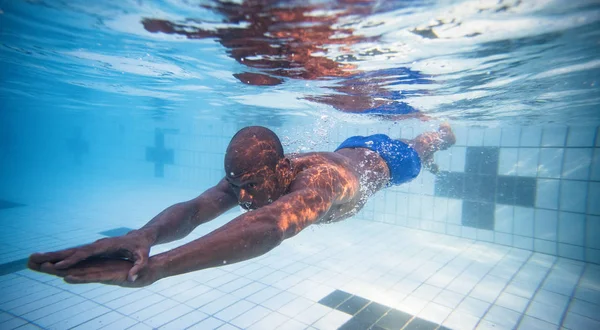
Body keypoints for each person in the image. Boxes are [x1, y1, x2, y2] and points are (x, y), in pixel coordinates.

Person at [28, 124, 456, 287]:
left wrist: (159, 267)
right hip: (349, 146)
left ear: (283, 168)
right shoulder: (256, 176)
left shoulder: (319, 185)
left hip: (385, 162)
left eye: (251, 185)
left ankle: (440, 133)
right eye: (238, 186)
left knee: (424, 145)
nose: (245, 198)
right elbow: (198, 208)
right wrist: (144, 237)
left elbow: (270, 225)